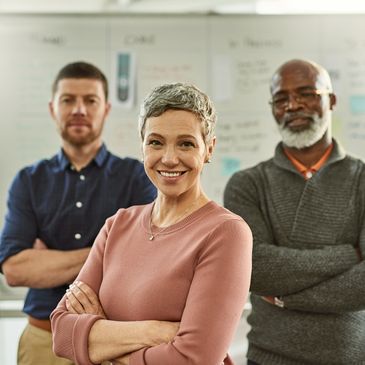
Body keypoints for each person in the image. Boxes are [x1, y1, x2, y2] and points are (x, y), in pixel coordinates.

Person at [50, 82, 253, 365]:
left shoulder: (226, 233)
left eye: (186, 143)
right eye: (156, 142)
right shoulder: (117, 225)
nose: (169, 158)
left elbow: (195, 358)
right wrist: (155, 332)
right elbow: (61, 333)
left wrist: (102, 338)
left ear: (209, 149)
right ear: (142, 146)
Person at [0, 61, 157, 365]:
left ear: (107, 109)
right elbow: (15, 269)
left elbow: (147, 260)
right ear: (52, 108)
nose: (79, 109)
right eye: (68, 100)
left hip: (113, 341)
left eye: (90, 100)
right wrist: (108, 253)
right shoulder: (28, 181)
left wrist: (48, 261)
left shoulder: (137, 177)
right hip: (42, 341)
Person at [224, 58, 365, 365]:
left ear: (332, 100)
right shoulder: (246, 184)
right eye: (281, 99)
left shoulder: (362, 180)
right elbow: (256, 269)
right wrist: (348, 255)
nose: (293, 105)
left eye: (306, 93)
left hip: (351, 356)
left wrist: (287, 297)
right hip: (269, 357)